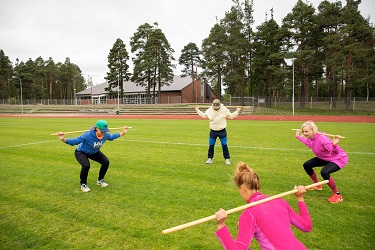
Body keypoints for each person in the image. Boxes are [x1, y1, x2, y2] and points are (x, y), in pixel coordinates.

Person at [215, 161, 312, 250]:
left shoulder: (249, 214)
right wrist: (300, 199)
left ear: (243, 188)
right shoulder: (280, 201)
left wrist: (221, 225)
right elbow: (307, 226)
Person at [58, 119, 128, 192]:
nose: (104, 133)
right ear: (97, 128)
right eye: (102, 131)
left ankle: (100, 180)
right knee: (86, 165)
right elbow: (75, 142)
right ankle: (83, 184)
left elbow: (111, 137)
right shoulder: (87, 135)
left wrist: (123, 132)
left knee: (105, 162)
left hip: (94, 152)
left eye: (105, 131)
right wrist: (63, 139)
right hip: (81, 152)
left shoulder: (105, 135)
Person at [295, 120, 348, 203]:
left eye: (306, 131)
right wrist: (298, 137)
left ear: (313, 130)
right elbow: (309, 144)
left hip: (338, 158)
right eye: (303, 131)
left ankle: (337, 194)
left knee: (324, 172)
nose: (304, 133)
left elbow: (334, 152)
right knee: (307, 165)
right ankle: (317, 185)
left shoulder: (322, 139)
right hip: (324, 158)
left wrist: (334, 145)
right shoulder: (310, 138)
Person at [195, 99, 241, 165]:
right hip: (213, 131)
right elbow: (204, 115)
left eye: (217, 107)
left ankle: (227, 159)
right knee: (211, 145)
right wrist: (197, 110)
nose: (216, 109)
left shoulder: (224, 110)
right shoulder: (209, 110)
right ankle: (209, 158)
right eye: (215, 107)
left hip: (222, 131)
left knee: (224, 145)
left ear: (220, 105)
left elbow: (231, 116)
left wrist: (237, 111)